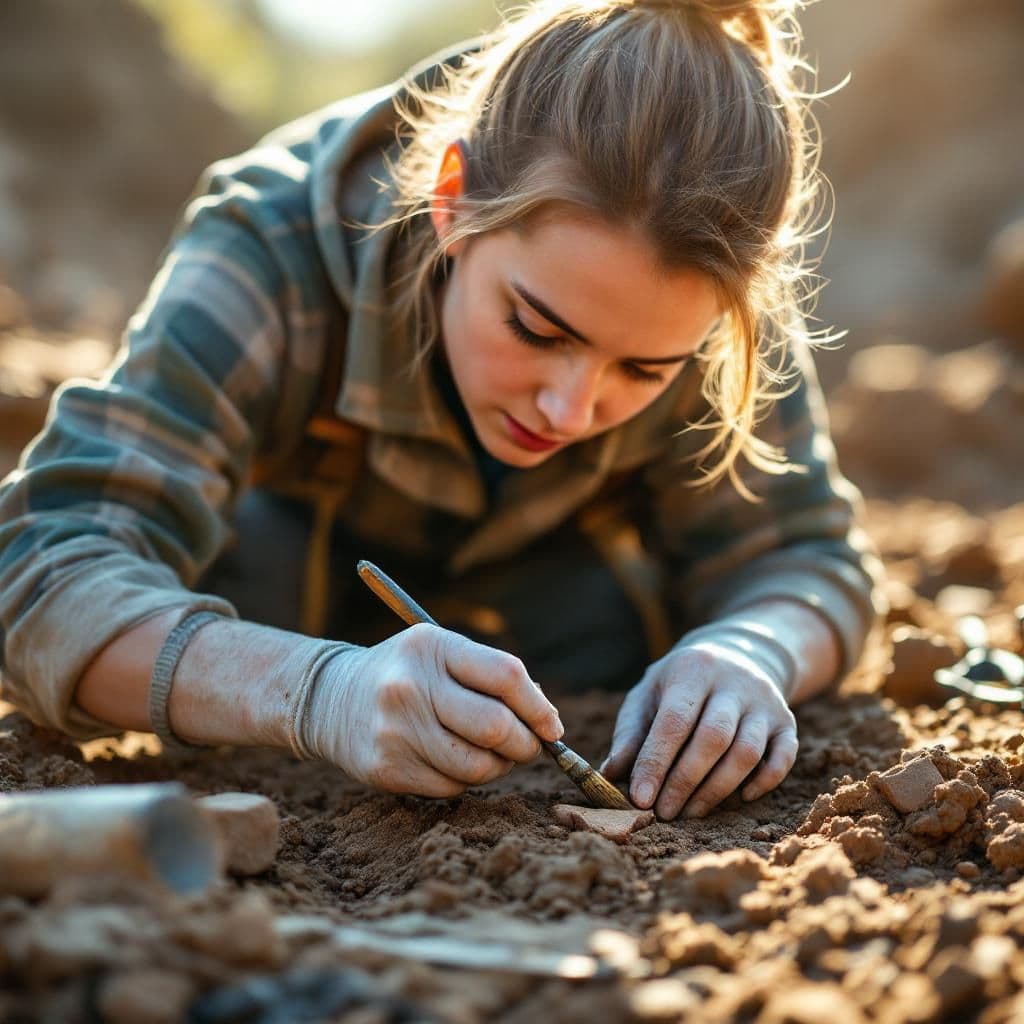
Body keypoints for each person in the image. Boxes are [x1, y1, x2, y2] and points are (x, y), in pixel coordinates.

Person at [0, 0, 882, 821]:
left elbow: (807, 558)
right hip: (286, 604)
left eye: (646, 370)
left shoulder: (710, 301)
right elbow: (44, 574)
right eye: (536, 329)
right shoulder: (270, 244)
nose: (570, 407)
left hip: (564, 622)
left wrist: (749, 651)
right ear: (454, 201)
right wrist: (317, 693)